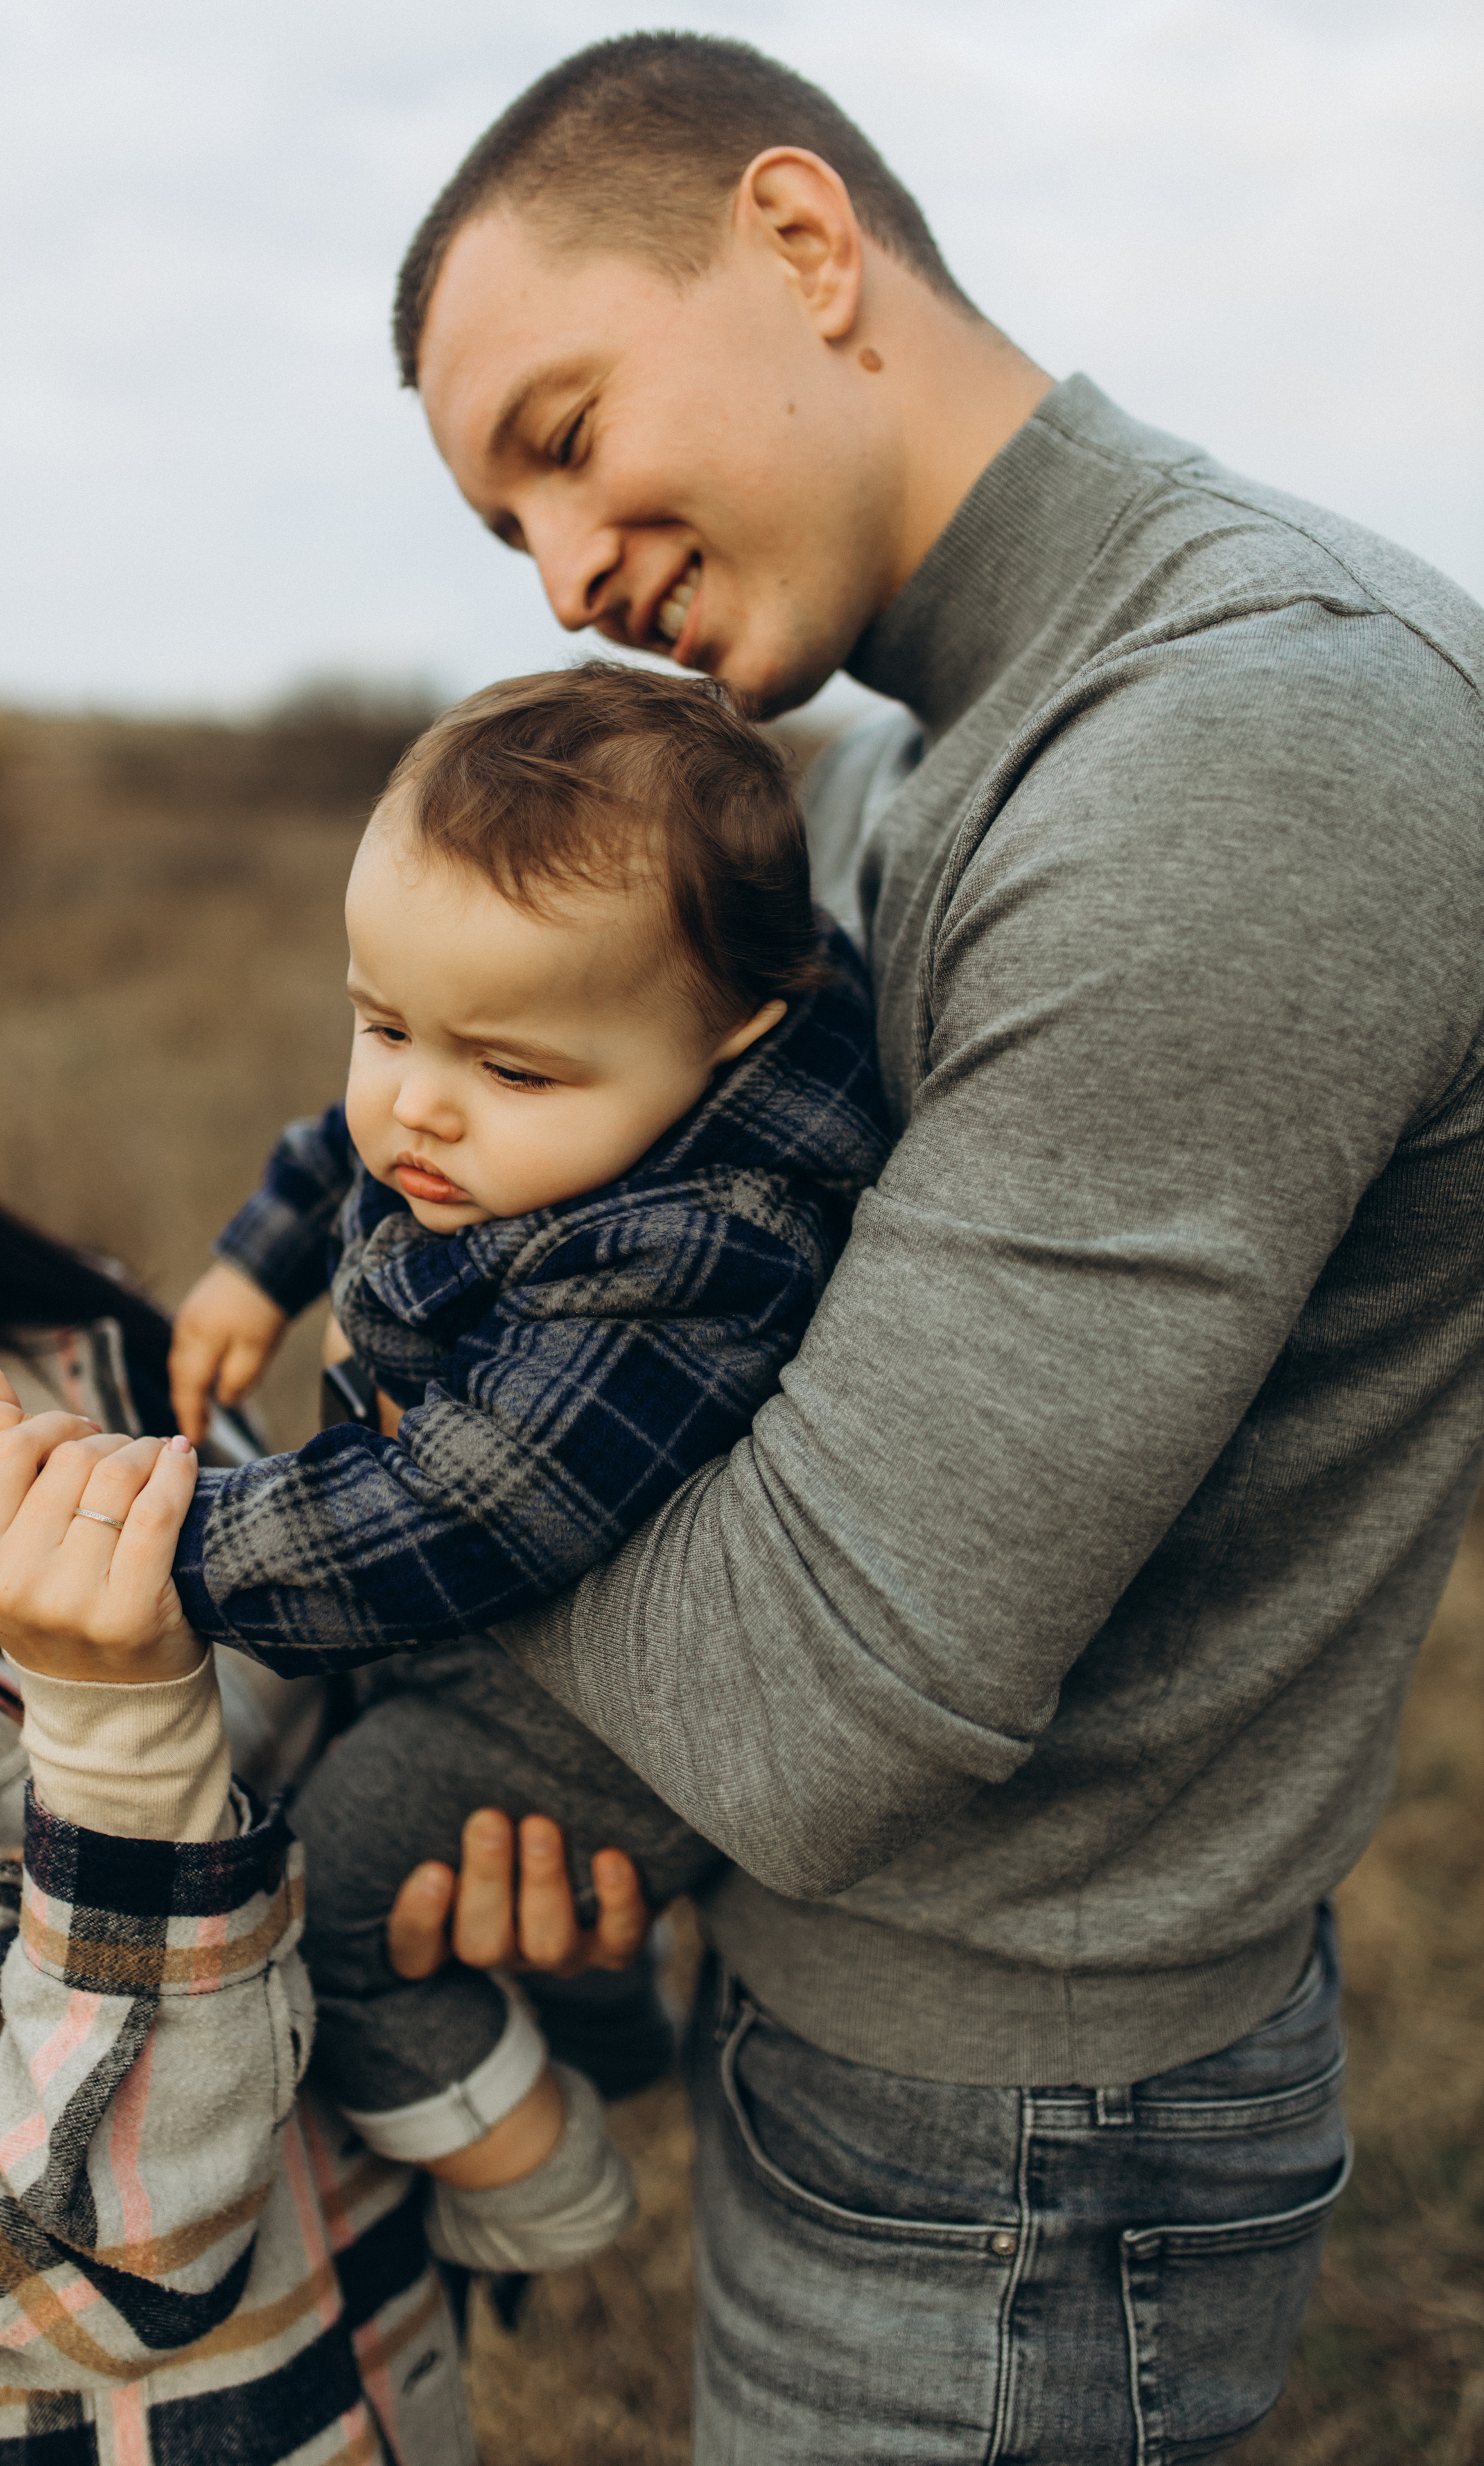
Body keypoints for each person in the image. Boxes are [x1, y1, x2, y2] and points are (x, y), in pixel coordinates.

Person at [363, 30, 1484, 2464]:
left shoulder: (1252, 741)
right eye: (502, 536)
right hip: (864, 2027)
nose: (566, 578)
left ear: (801, 237)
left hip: (1021, 2150)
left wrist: (407, 1533)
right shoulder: (897, 761)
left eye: (563, 435)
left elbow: (812, 1682)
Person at [0, 662, 888, 2282]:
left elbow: (454, 1510)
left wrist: (139, 1533)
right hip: (486, 1651)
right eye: (380, 1020)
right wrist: (259, 1262)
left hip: (581, 1710)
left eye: (510, 1069)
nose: (418, 1106)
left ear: (733, 1040)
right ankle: (587, 2022)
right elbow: (352, 1146)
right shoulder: (535, 1109)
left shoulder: (685, 1252)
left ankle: (544, 2185)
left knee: (334, 1889)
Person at [0, 968, 475, 2466]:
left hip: (380, 2362)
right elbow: (65, 2281)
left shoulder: (105, 1350)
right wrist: (121, 1735)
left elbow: (343, 1797)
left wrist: (500, 1910)